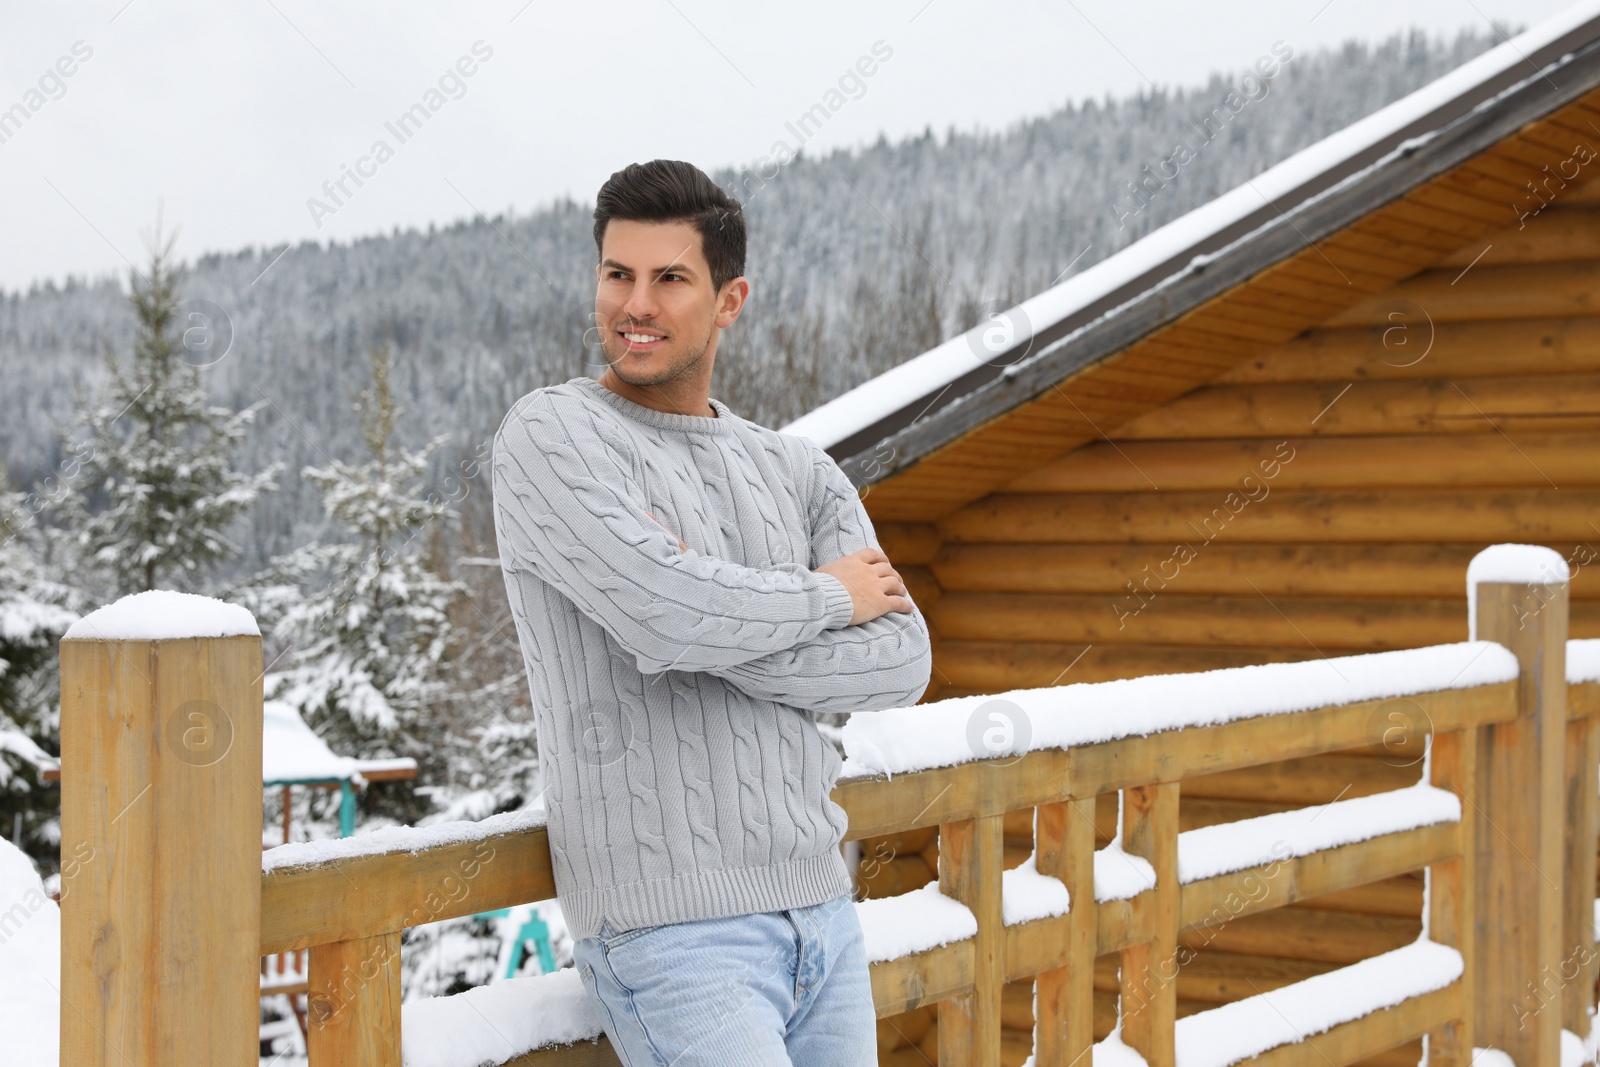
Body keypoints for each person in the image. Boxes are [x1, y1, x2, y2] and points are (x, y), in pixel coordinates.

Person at [491, 158, 934, 1065]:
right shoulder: (551, 434)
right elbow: (663, 613)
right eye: (617, 274)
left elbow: (902, 658)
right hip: (670, 928)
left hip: (821, 908)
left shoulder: (798, 469)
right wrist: (825, 598)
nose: (634, 304)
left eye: (669, 278)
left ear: (729, 300)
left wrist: (700, 619)